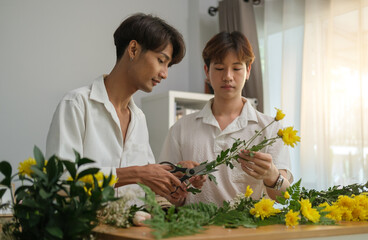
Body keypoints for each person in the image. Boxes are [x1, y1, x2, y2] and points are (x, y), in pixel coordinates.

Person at [46, 13, 192, 202]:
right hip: (84, 230)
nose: (164, 74)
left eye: (167, 65)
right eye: (161, 60)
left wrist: (172, 176)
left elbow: (143, 187)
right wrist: (137, 174)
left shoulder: (139, 118)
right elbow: (61, 180)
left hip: (131, 230)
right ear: (133, 49)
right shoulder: (76, 104)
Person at [159, 31, 293, 206]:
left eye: (236, 68)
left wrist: (271, 175)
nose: (228, 76)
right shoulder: (182, 128)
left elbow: (284, 197)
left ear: (248, 71)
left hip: (251, 230)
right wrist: (179, 181)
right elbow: (163, 195)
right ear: (207, 71)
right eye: (220, 68)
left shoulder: (270, 128)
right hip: (196, 229)